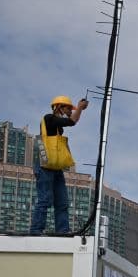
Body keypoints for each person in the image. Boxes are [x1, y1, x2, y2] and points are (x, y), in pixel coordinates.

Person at [30, 94, 88, 235]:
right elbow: (72, 121)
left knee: (62, 202)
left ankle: (62, 231)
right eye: (68, 108)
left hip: (54, 167)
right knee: (45, 200)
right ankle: (36, 230)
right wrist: (80, 108)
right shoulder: (49, 118)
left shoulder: (57, 127)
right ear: (59, 107)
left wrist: (77, 110)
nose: (70, 111)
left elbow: (70, 121)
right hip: (44, 166)